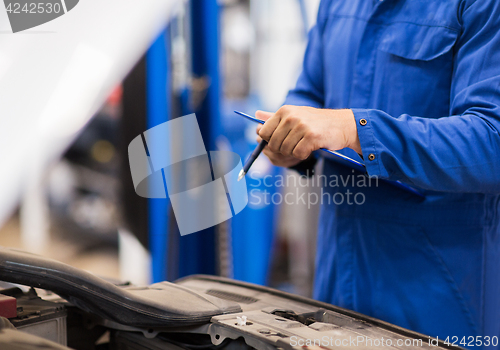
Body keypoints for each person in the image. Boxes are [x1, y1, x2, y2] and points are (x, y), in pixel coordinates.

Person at [256, 0, 500, 347]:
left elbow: (491, 142)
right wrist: (287, 141)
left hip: (442, 292)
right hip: (337, 282)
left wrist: (357, 130)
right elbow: (308, 94)